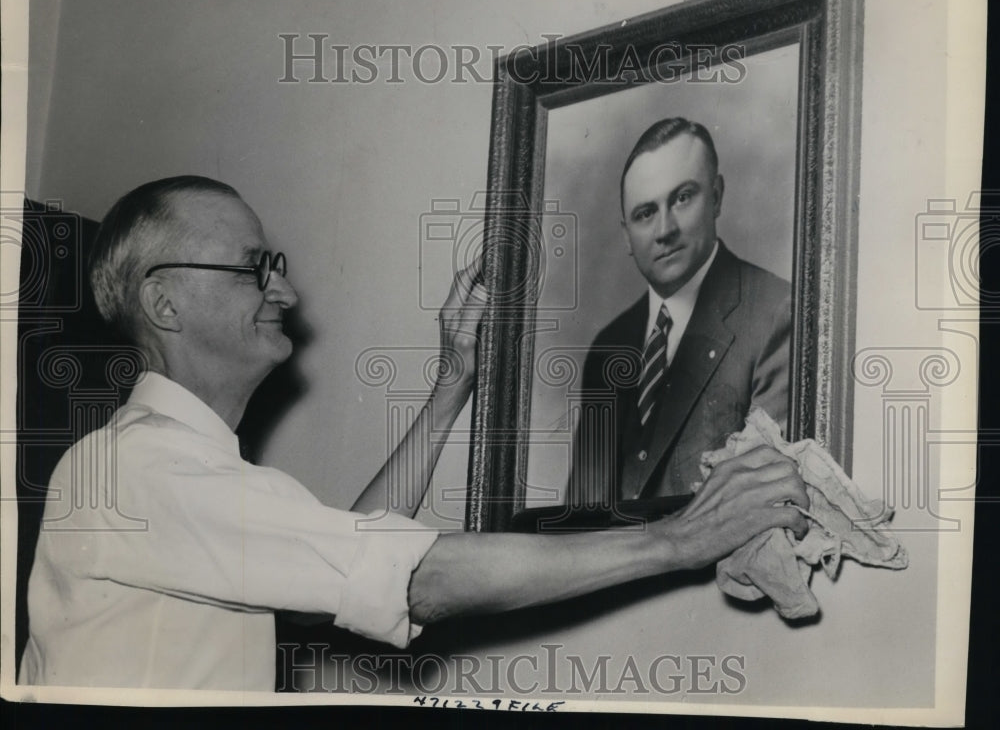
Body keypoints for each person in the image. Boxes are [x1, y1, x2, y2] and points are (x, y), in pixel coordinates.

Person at [19, 175, 806, 690]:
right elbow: (410, 575)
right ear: (165, 305)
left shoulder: (179, 475)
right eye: (256, 266)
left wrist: (451, 382)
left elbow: (350, 557)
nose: (286, 290)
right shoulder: (139, 472)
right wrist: (680, 540)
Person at [567, 118, 791, 507]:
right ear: (626, 236)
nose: (664, 230)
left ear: (717, 196)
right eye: (644, 214)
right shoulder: (609, 345)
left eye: (683, 198)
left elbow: (763, 508)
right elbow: (579, 519)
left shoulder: (776, 314)